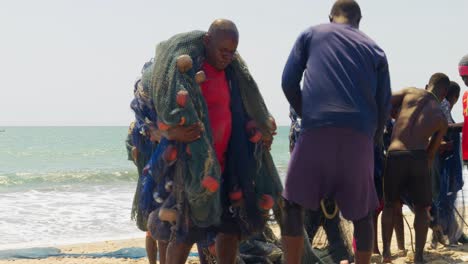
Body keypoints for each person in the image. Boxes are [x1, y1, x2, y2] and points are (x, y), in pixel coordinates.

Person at [150, 19, 281, 264]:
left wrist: (261, 132)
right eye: (223, 51)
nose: (228, 57)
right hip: (195, 171)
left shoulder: (234, 76)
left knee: (229, 231)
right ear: (207, 41)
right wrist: (174, 133)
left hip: (229, 168)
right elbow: (161, 121)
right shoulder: (187, 74)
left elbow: (248, 110)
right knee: (185, 233)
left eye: (232, 52)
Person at [280, 1, 392, 263]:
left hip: (316, 130)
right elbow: (383, 105)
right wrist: (371, 140)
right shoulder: (375, 48)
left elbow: (287, 82)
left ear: (330, 17)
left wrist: (308, 116)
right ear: (359, 20)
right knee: (362, 213)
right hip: (359, 137)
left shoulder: (311, 34)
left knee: (292, 204)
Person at [381, 73, 450, 263]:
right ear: (443, 93)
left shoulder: (409, 91)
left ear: (428, 85)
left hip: (395, 154)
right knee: (421, 208)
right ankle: (418, 256)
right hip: (418, 157)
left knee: (389, 205)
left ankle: (386, 253)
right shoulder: (441, 118)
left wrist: (392, 114)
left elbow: (383, 100)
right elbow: (431, 154)